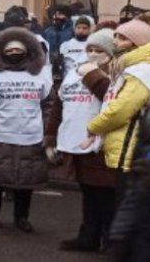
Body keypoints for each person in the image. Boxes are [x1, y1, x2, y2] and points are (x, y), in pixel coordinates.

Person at [47, 29, 118, 251]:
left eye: (100, 50)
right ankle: (89, 236)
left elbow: (112, 100)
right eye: (90, 49)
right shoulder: (75, 71)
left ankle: (109, 239)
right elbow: (60, 104)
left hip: (101, 144)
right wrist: (50, 137)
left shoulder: (117, 73)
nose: (94, 54)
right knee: (88, 192)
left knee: (106, 194)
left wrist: (93, 75)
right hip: (78, 142)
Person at [0, 27, 52, 231]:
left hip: (31, 133)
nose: (14, 54)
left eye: (18, 51)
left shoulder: (40, 76)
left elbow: (48, 104)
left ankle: (22, 217)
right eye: (9, 51)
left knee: (26, 179)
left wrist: (47, 131)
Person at [85, 20, 150, 175]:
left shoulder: (143, 70)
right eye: (115, 36)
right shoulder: (130, 66)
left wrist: (93, 127)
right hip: (129, 150)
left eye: (122, 38)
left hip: (132, 153)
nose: (115, 42)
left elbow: (120, 111)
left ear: (136, 43)